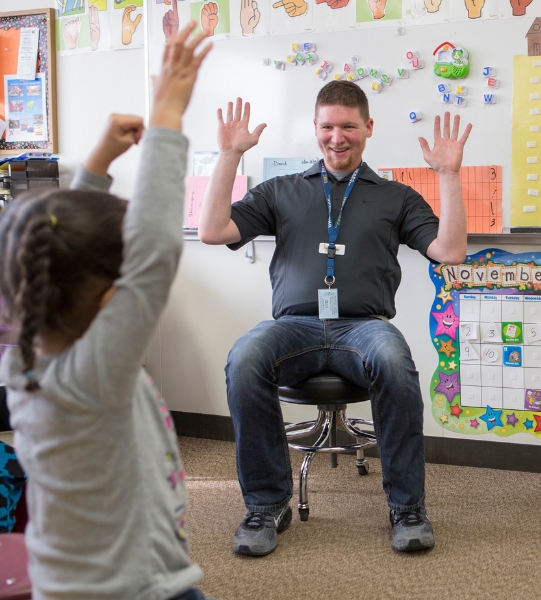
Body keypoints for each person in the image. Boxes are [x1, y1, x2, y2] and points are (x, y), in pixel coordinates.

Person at [198, 81, 472, 555]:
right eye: (328, 126)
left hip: (362, 328)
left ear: (368, 128)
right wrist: (228, 157)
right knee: (244, 358)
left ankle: (407, 507)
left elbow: (450, 251)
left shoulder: (395, 197)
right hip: (294, 328)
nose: (337, 137)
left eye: (348, 126)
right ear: (315, 129)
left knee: (395, 360)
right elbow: (213, 231)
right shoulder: (281, 191)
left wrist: (449, 175)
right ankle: (267, 505)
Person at [0, 23, 212, 600]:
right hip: (139, 589)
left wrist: (97, 162)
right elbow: (156, 251)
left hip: (65, 584)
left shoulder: (20, 362)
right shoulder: (99, 373)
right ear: (110, 299)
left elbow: (49, 241)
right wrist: (168, 112)